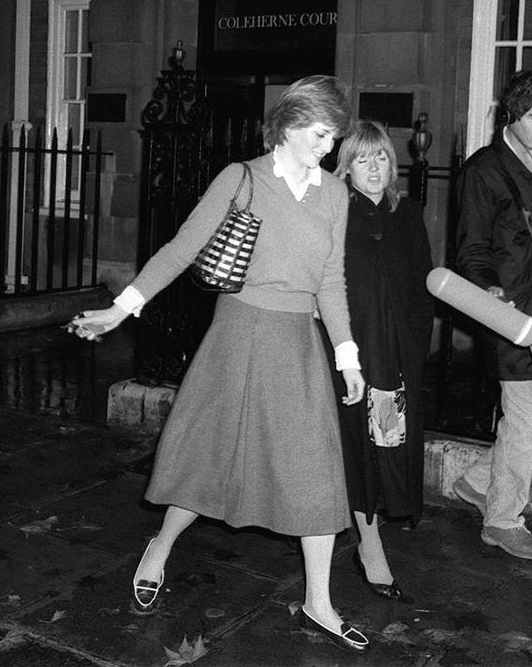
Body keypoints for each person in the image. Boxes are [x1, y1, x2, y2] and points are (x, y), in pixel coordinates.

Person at [67, 76, 370, 651]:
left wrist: (347, 355)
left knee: (314, 466)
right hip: (237, 333)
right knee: (211, 450)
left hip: (298, 342)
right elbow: (182, 248)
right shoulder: (243, 178)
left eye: (334, 137)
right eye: (321, 134)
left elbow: (332, 281)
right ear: (288, 125)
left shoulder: (333, 195)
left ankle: (318, 601)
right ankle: (160, 545)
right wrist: (119, 308)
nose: (329, 148)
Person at [450, 70, 532, 561]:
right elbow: (470, 247)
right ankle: (502, 520)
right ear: (511, 115)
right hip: (510, 308)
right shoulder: (484, 169)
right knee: (524, 417)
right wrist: (490, 292)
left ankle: (479, 482)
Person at [331, 120, 434, 600]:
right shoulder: (332, 211)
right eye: (362, 158)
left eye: (381, 158)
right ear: (346, 165)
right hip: (346, 354)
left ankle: (368, 531)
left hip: (392, 358)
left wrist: (411, 349)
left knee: (384, 442)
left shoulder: (408, 214)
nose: (373, 168)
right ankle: (367, 543)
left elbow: (420, 289)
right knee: (348, 446)